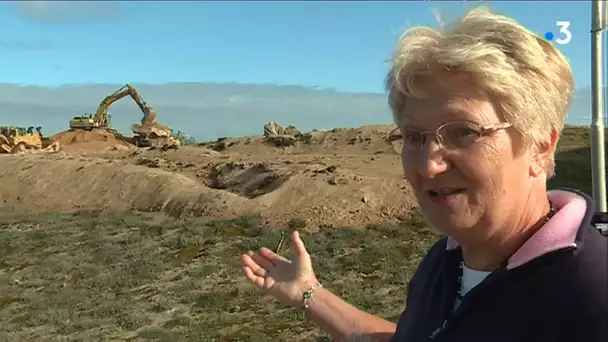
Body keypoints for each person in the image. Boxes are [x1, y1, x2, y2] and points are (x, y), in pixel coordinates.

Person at [241, 7, 608, 342]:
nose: (429, 164)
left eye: (464, 131)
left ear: (541, 145)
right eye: (415, 136)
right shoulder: (446, 258)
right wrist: (310, 295)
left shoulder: (590, 299)